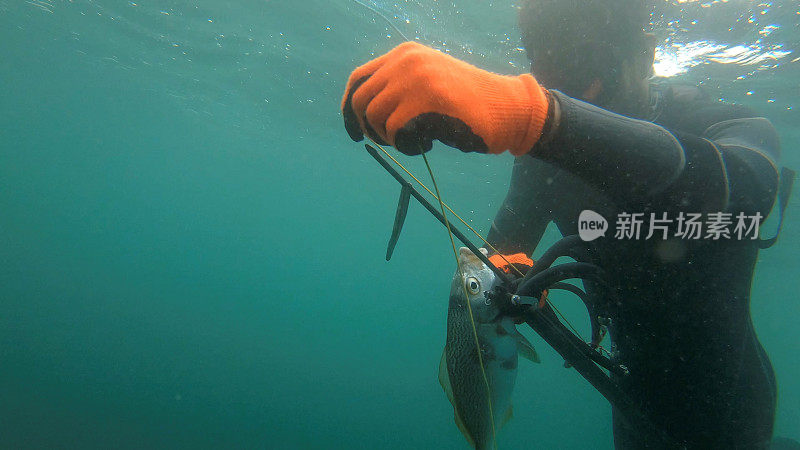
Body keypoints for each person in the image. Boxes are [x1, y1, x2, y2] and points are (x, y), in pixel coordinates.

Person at [341, 0, 790, 447]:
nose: (569, 84)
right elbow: (491, 260)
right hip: (628, 402)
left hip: (732, 414)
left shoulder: (731, 126)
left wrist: (539, 119)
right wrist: (498, 285)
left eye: (583, 56)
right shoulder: (547, 162)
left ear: (645, 51)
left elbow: (747, 192)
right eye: (544, 57)